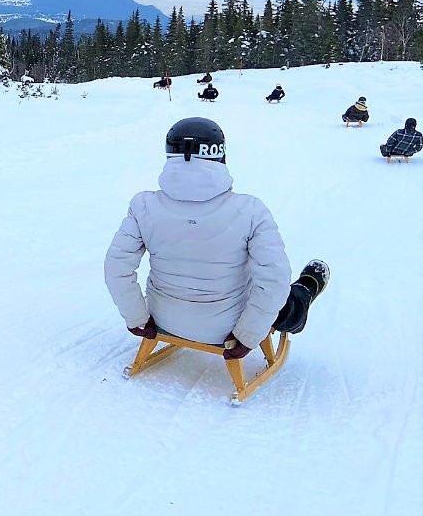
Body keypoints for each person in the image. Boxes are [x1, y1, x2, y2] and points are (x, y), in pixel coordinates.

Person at [104, 117, 329, 360]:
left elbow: (116, 266)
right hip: (227, 329)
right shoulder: (250, 210)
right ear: (219, 155)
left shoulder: (143, 205)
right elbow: (274, 279)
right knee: (284, 298)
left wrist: (136, 317)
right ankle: (305, 291)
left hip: (163, 318)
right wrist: (248, 335)